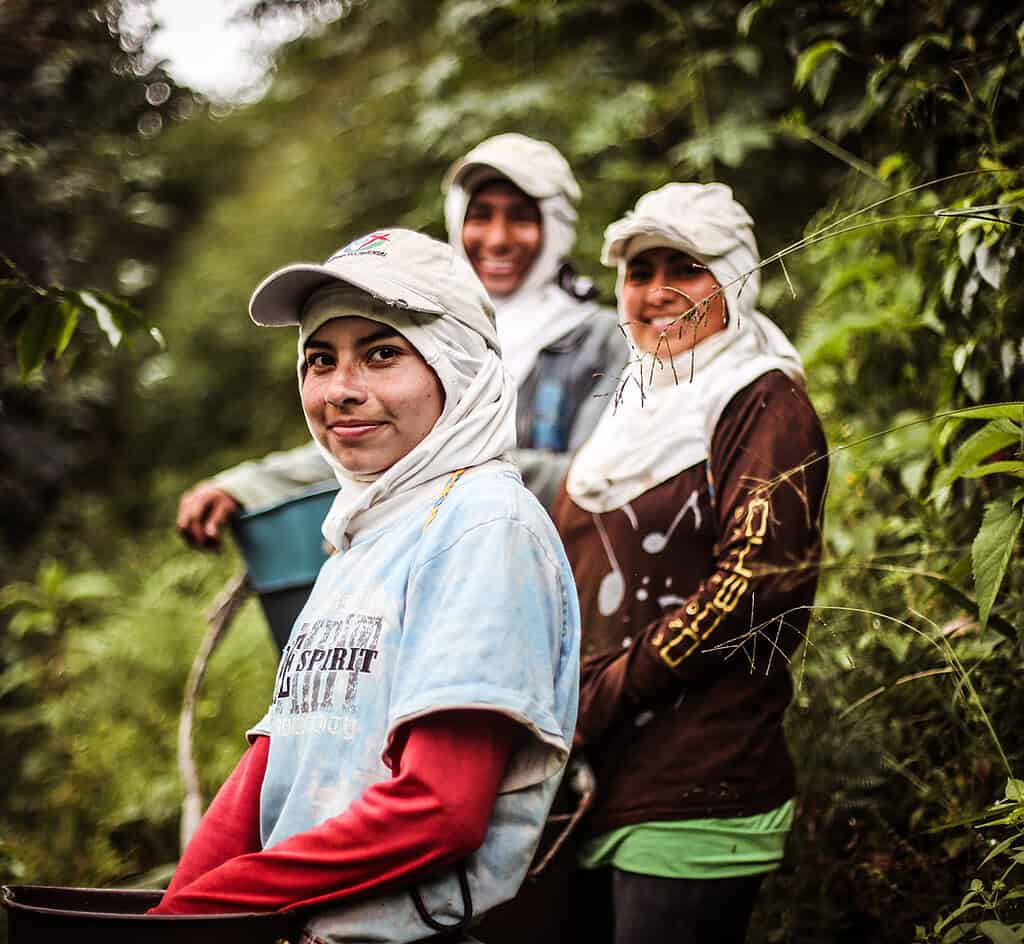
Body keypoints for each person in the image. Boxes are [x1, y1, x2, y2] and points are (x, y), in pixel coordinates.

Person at [152, 228, 581, 944]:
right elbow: (283, 750)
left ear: (458, 365)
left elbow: (440, 807)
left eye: (381, 354)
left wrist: (215, 905)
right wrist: (171, 912)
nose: (342, 391)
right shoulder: (363, 533)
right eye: (320, 360)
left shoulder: (483, 524)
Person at [550, 183, 829, 944]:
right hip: (591, 782)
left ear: (736, 275)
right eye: (641, 271)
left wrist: (602, 693)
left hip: (698, 782)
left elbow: (759, 581)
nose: (658, 290)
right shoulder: (628, 412)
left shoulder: (759, 398)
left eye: (688, 267)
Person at [177, 133, 622, 549]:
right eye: (481, 215)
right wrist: (248, 486)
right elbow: (375, 434)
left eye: (521, 218)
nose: (498, 239)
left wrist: (434, 466)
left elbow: (596, 479)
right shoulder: (436, 323)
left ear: (557, 225)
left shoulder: (602, 340)